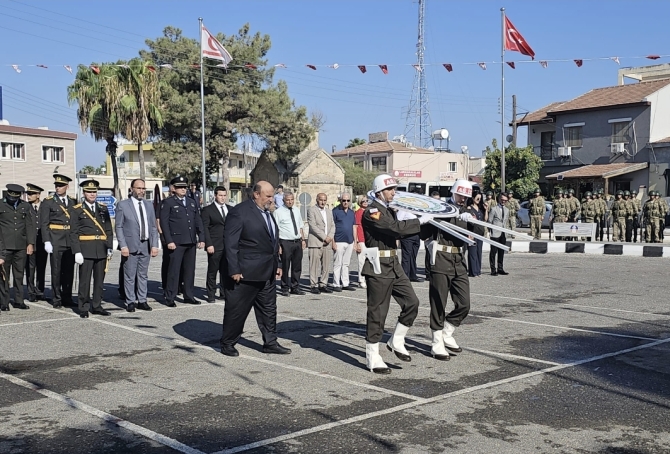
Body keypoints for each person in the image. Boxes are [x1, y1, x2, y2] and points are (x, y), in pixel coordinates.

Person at [361, 174, 434, 374]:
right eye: (390, 189)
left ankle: (397, 339)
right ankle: (372, 355)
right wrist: (419, 222)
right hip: (378, 265)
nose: (394, 192)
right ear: (379, 192)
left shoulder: (388, 210)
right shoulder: (372, 211)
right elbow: (394, 230)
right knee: (378, 311)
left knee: (411, 302)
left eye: (394, 188)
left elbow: (401, 227)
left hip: (393, 262)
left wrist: (426, 222)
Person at [220, 181, 291, 357]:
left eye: (272, 195)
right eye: (267, 196)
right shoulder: (239, 212)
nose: (271, 199)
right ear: (256, 195)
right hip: (244, 274)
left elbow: (273, 242)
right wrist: (234, 269)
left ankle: (270, 342)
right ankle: (228, 343)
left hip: (267, 272)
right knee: (237, 311)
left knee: (269, 310)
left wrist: (278, 264)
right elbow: (231, 243)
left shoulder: (268, 213)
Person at [420, 179, 473, 361]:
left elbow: (480, 234)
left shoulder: (467, 211)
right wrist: (427, 220)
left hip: (458, 259)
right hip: (441, 258)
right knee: (438, 302)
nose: (462, 200)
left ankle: (447, 331)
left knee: (464, 303)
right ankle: (436, 342)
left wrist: (472, 220)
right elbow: (423, 234)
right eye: (460, 195)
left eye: (465, 197)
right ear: (453, 192)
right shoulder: (440, 208)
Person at [70, 180, 113, 318]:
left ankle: (97, 305)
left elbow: (108, 229)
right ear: (84, 193)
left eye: (94, 192)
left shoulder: (103, 208)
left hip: (100, 248)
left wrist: (110, 246)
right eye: (89, 192)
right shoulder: (77, 210)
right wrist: (76, 251)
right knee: (85, 280)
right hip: (85, 249)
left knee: (99, 280)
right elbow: (73, 232)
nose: (92, 194)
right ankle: (83, 306)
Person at [159, 176, 205, 307]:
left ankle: (189, 295)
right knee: (174, 271)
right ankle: (170, 297)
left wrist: (201, 238)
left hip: (190, 241)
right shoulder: (168, 203)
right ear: (174, 189)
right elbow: (164, 223)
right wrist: (169, 240)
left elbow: (197, 220)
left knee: (189, 270)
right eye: (180, 187)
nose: (183, 189)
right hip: (176, 242)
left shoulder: (191, 202)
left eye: (184, 187)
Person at [115, 178, 159, 312]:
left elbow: (153, 226)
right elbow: (119, 227)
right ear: (131, 189)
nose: (141, 191)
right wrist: (123, 245)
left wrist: (155, 245)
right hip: (130, 245)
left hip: (145, 244)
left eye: (143, 188)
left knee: (143, 275)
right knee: (129, 275)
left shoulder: (148, 205)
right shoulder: (123, 205)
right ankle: (130, 301)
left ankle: (142, 300)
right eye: (139, 188)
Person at [40, 174, 76, 308]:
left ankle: (67, 297)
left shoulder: (73, 201)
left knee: (69, 270)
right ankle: (56, 298)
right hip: (55, 239)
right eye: (56, 185)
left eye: (61, 185)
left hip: (69, 240)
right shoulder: (48, 202)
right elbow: (44, 224)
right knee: (56, 270)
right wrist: (47, 241)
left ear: (67, 186)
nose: (58, 188)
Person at [0, 184, 35, 311]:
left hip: (21, 245)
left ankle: (19, 301)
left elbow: (29, 225)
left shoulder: (25, 206)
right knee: (4, 275)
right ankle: (4, 302)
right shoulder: (1, 204)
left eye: (15, 198)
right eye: (11, 197)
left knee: (19, 275)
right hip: (5, 246)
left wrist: (30, 243)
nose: (12, 199)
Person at [201, 186, 232, 303]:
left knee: (226, 271)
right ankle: (211, 294)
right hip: (214, 245)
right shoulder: (207, 210)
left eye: (224, 195)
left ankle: (224, 293)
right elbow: (205, 228)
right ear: (215, 195)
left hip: (227, 246)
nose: (222, 198)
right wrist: (208, 244)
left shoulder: (230, 209)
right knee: (212, 271)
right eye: (220, 195)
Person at [273, 191, 306, 297]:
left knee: (297, 266)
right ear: (283, 200)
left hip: (297, 241)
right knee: (285, 266)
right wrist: (278, 245)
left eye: (292, 199)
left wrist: (303, 239)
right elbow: (275, 230)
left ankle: (295, 286)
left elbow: (300, 226)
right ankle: (285, 287)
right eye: (287, 200)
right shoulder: (278, 212)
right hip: (285, 242)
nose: (290, 201)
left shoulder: (296, 210)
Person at [307, 193, 335, 294]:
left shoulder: (329, 211)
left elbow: (332, 225)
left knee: (326, 265)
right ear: (317, 200)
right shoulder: (312, 210)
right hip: (316, 241)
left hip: (327, 243)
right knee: (314, 265)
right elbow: (313, 226)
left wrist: (330, 237)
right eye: (321, 200)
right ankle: (313, 284)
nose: (323, 202)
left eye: (324, 200)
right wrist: (324, 237)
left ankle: (323, 283)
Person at [25, 183, 47, 302]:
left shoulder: (45, 206)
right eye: (28, 193)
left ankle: (40, 291)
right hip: (30, 243)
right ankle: (31, 292)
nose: (29, 196)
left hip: (43, 242)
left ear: (38, 195)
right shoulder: (26, 207)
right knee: (30, 268)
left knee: (42, 268)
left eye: (31, 193)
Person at [331, 192, 357, 292]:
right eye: (344, 200)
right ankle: (336, 283)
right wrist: (333, 241)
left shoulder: (351, 212)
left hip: (349, 241)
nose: (346, 202)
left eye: (348, 200)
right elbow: (331, 227)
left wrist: (355, 242)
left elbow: (354, 227)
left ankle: (345, 283)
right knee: (338, 263)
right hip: (338, 240)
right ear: (340, 200)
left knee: (346, 264)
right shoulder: (335, 211)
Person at [465, 191, 486, 277]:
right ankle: (473, 271)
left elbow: (485, 219)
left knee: (479, 252)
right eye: (477, 198)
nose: (479, 200)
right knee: (472, 253)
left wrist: (486, 210)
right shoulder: (469, 208)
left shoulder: (480, 208)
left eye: (480, 199)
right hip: (472, 233)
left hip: (480, 232)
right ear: (473, 198)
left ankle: (478, 271)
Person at [489, 193, 509, 276]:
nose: (503, 201)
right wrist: (490, 231)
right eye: (502, 199)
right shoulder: (494, 209)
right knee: (493, 252)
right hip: (495, 233)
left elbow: (506, 221)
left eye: (505, 200)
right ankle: (493, 269)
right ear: (499, 199)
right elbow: (490, 221)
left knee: (501, 252)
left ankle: (500, 268)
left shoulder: (507, 210)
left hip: (503, 233)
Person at [353, 196, 369, 288]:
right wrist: (358, 241)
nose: (366, 202)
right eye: (363, 201)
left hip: (368, 239)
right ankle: (361, 280)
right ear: (360, 202)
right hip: (362, 239)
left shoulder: (368, 211)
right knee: (361, 260)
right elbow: (357, 227)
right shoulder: (359, 212)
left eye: (367, 201)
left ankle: (366, 278)